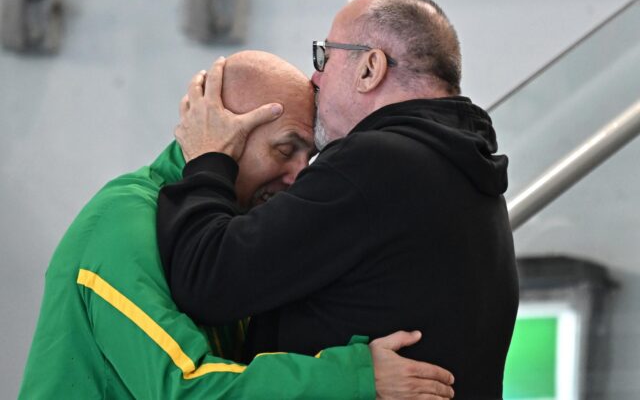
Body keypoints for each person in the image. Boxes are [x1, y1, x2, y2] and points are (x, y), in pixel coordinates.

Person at [19, 50, 455, 399]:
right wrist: (356, 377)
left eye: (311, 157)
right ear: (221, 133)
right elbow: (184, 388)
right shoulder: (121, 223)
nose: (301, 175)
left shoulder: (234, 230)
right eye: (286, 149)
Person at [158, 0, 518, 398]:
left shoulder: (377, 163)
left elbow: (208, 279)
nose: (315, 79)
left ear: (370, 68)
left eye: (323, 58)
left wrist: (207, 158)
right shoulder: (465, 175)